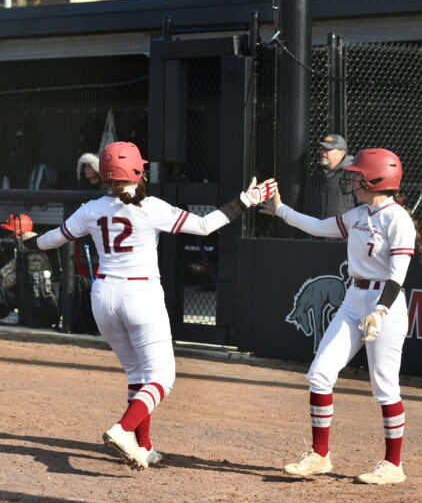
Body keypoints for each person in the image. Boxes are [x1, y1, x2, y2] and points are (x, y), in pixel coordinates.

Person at [23, 141, 277, 470]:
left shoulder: (91, 208)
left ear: (105, 173)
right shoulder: (150, 205)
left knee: (137, 373)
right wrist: (246, 200)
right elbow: (204, 226)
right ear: (139, 171)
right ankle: (124, 429)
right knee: (162, 377)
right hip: (140, 295)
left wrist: (26, 241)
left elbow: (50, 240)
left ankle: (144, 446)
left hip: (103, 297)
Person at [261, 148, 422, 484]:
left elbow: (398, 275)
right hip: (354, 299)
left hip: (386, 305)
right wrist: (281, 210)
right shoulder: (359, 214)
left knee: (384, 386)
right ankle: (320, 455)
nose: (352, 178)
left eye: (357, 174)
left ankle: (393, 465)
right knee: (320, 373)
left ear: (376, 179)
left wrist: (380, 310)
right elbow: (320, 227)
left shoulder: (398, 219)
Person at [297, 134, 355, 219]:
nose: (322, 152)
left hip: (345, 231)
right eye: (322, 148)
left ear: (341, 153)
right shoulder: (315, 177)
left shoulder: (353, 176)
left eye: (328, 149)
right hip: (317, 231)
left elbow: (365, 207)